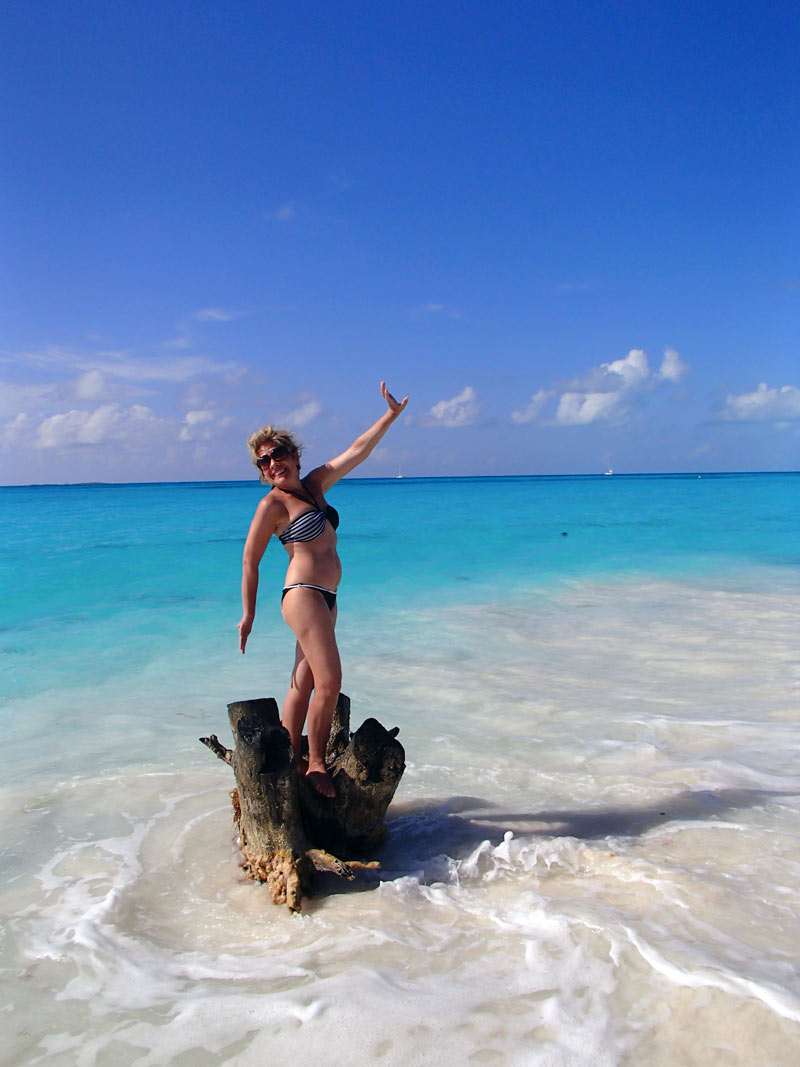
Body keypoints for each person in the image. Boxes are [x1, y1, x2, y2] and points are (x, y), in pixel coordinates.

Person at [238, 382, 408, 798]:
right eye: (264, 461)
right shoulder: (272, 506)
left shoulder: (314, 486)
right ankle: (315, 765)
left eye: (278, 454)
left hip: (326, 597)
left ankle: (287, 754)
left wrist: (390, 416)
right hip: (303, 592)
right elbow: (249, 560)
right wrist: (249, 615)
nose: (273, 463)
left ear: (295, 456)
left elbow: (356, 452)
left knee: (303, 681)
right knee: (329, 681)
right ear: (262, 472)